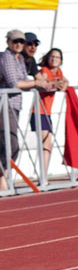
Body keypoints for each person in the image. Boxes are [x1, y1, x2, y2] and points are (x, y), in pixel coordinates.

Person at [0, 30, 49, 191]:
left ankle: (4, 179)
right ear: (8, 42)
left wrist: (46, 82)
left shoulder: (20, 59)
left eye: (22, 42)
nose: (19, 44)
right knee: (10, 144)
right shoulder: (6, 57)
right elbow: (14, 82)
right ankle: (3, 180)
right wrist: (36, 84)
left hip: (14, 104)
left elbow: (29, 79)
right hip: (4, 104)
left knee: (9, 145)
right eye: (16, 41)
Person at [35, 47, 68, 175]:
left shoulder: (58, 72)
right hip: (39, 111)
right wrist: (53, 83)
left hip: (47, 112)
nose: (54, 59)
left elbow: (65, 83)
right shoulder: (45, 70)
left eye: (57, 57)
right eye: (52, 57)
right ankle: (43, 177)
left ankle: (43, 175)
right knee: (46, 143)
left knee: (48, 144)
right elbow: (43, 82)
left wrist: (61, 84)